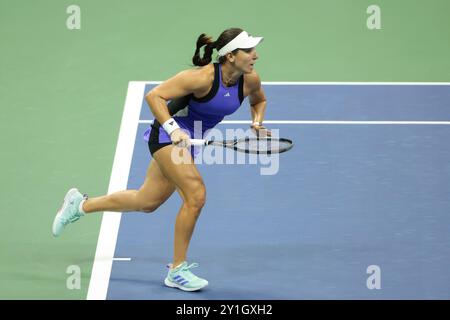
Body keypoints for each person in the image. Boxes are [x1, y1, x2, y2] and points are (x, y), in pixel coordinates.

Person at [52, 27, 270, 292]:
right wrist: (173, 129)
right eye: (248, 51)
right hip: (169, 134)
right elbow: (154, 96)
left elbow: (259, 101)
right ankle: (177, 270)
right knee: (196, 195)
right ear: (230, 56)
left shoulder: (250, 80)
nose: (255, 55)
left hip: (193, 139)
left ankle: (80, 205)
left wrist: (257, 123)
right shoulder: (200, 78)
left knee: (147, 201)